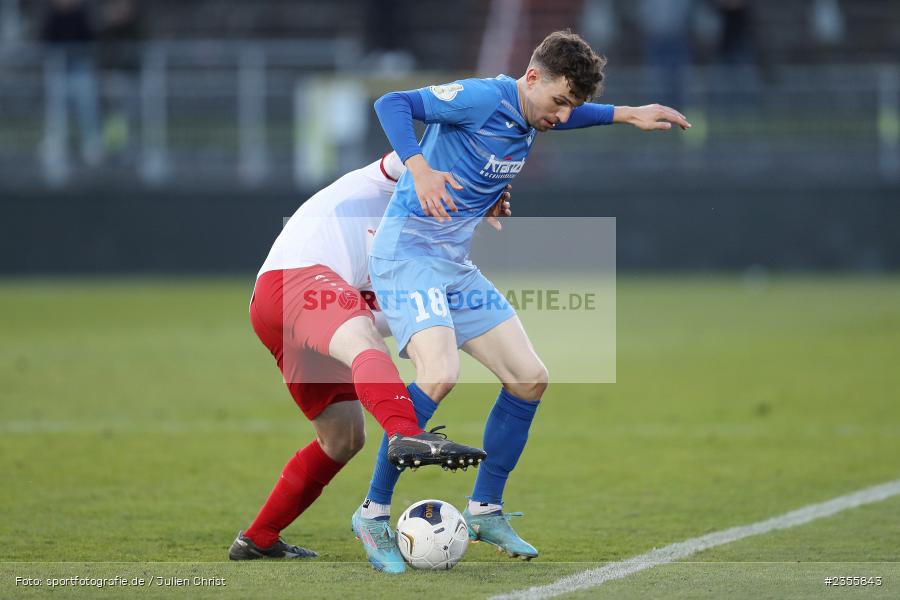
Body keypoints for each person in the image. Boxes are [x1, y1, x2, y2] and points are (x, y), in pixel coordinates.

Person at [354, 30, 690, 572]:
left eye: (570, 107)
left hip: (454, 265)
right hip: (408, 254)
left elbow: (569, 115)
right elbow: (392, 102)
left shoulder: (535, 112)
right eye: (559, 102)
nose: (561, 117)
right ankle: (372, 515)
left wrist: (628, 114)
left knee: (530, 377)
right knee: (439, 374)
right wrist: (418, 168)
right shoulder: (483, 96)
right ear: (531, 77)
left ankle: (485, 508)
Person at [228, 153, 510, 560]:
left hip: (301, 312)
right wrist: (484, 182)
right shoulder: (389, 183)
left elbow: (404, 321)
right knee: (363, 337)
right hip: (293, 278)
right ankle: (403, 432)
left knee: (343, 439)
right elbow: (414, 153)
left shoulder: (409, 258)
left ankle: (258, 538)